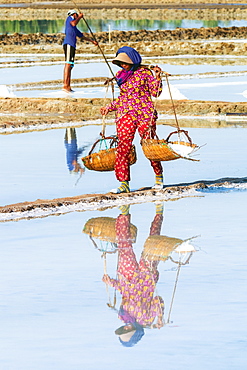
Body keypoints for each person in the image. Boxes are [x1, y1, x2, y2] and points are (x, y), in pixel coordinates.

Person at [100, 46, 169, 193]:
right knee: (123, 147)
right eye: (121, 63)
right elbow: (123, 98)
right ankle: (123, 183)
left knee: (149, 146)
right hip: (125, 114)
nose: (123, 65)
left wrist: (157, 76)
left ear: (133, 60)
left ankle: (158, 177)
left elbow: (155, 93)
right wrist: (109, 107)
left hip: (145, 113)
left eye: (126, 63)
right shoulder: (121, 75)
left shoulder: (145, 73)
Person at [102, 203, 165, 347]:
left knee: (124, 245)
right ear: (136, 332)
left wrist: (110, 282)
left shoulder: (122, 315)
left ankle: (124, 213)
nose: (125, 328)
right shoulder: (147, 319)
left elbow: (125, 292)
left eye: (123, 330)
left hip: (127, 276)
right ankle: (159, 212)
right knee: (153, 242)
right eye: (127, 331)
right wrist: (160, 318)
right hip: (146, 276)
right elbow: (158, 300)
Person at [63, 9, 98, 92]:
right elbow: (74, 23)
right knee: (68, 64)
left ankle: (68, 85)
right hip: (69, 44)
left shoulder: (74, 28)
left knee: (71, 65)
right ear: (74, 15)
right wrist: (80, 17)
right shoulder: (70, 19)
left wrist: (92, 41)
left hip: (72, 46)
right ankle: (65, 85)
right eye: (76, 15)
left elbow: (81, 36)